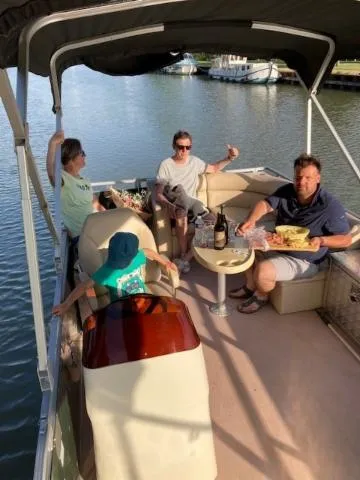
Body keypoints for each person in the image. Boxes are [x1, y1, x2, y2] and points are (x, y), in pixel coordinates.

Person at [230, 153, 352, 314]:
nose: (301, 182)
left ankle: (261, 296)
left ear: (318, 178)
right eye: (298, 177)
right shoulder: (287, 191)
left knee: (263, 270)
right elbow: (265, 205)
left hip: (304, 259)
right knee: (239, 238)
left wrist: (321, 240)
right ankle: (250, 285)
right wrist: (251, 220)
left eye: (308, 178)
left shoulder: (330, 206)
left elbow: (346, 240)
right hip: (278, 243)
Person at [155, 130, 240, 273]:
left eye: (187, 147)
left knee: (218, 227)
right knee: (181, 206)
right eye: (180, 147)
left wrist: (230, 158)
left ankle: (185, 259)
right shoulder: (166, 165)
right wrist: (167, 204)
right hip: (178, 205)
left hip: (194, 205)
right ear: (173, 146)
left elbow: (214, 168)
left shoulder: (194, 162)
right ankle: (183, 254)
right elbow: (158, 193)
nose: (184, 151)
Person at [52, 232, 178, 316]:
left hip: (143, 299)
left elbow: (149, 252)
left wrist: (166, 263)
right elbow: (84, 286)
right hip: (120, 308)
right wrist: (66, 304)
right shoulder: (107, 270)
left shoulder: (138, 256)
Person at [46, 130, 105, 241]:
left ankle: (141, 257)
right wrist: (52, 143)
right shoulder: (63, 179)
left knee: (130, 230)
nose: (85, 155)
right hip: (83, 236)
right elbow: (51, 174)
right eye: (82, 153)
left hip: (98, 228)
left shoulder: (84, 181)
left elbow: (96, 205)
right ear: (71, 159)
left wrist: (108, 217)